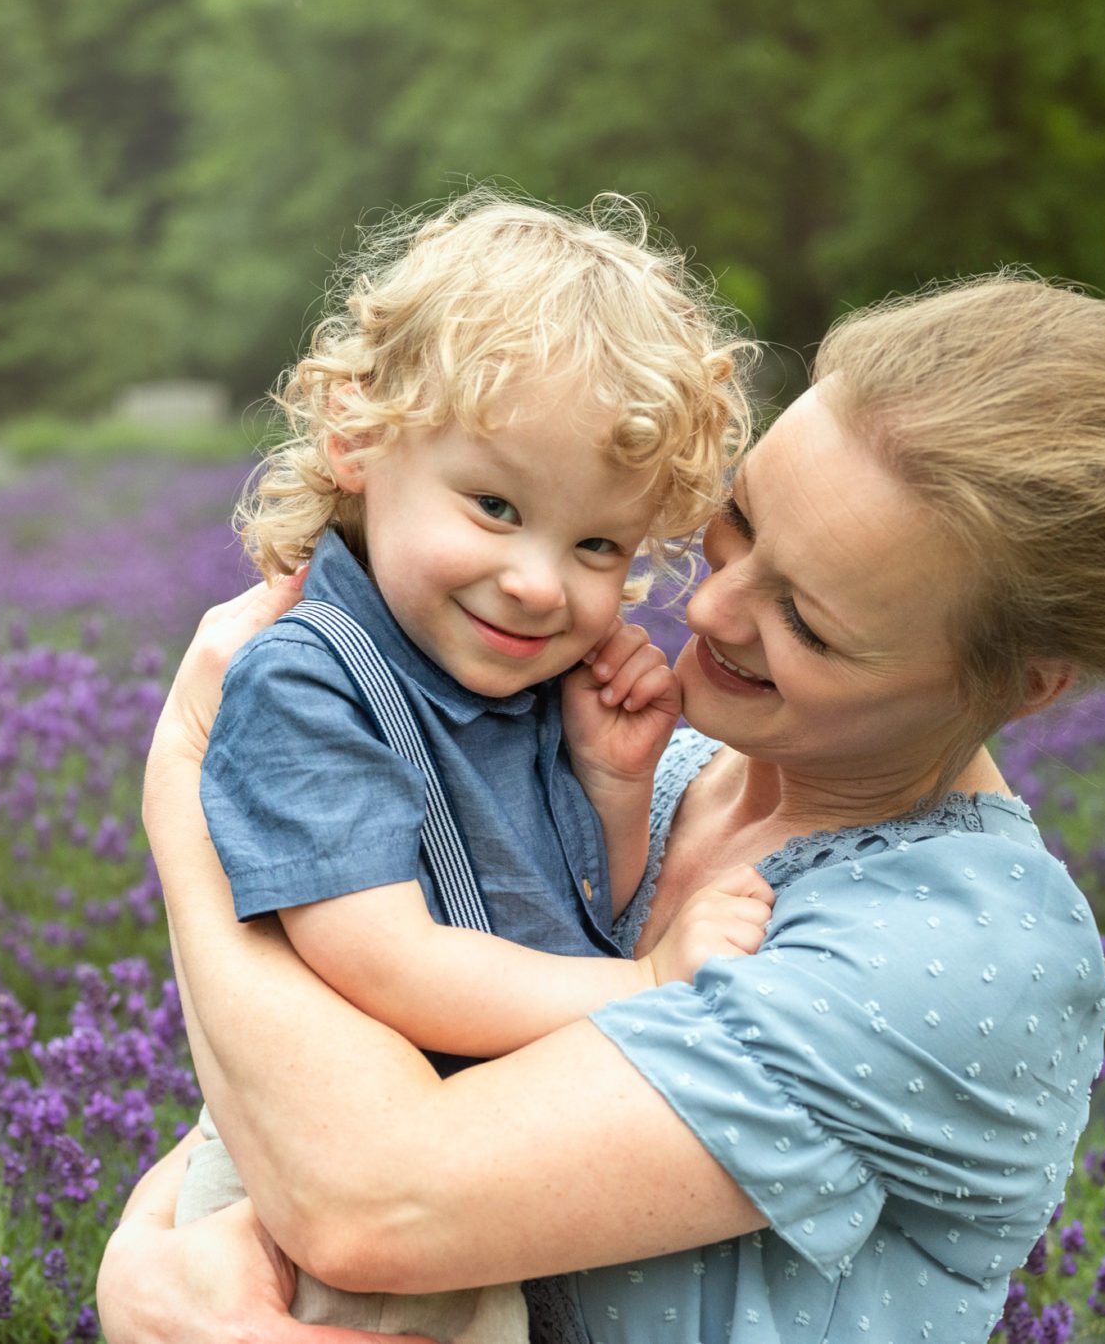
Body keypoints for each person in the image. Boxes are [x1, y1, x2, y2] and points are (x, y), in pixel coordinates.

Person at [103, 271, 1105, 1344]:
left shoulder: (948, 953)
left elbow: (364, 1202)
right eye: (736, 525)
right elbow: (291, 1085)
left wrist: (188, 785)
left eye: (810, 623)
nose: (713, 608)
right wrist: (150, 1265)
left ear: (1016, 684)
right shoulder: (648, 758)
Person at [174, 190, 767, 1344]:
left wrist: (604, 790)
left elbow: (552, 912)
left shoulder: (510, 679)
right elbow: (381, 959)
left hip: (451, 1158)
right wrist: (646, 992)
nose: (542, 583)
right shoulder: (309, 682)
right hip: (328, 1195)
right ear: (356, 440)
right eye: (494, 506)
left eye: (597, 544)